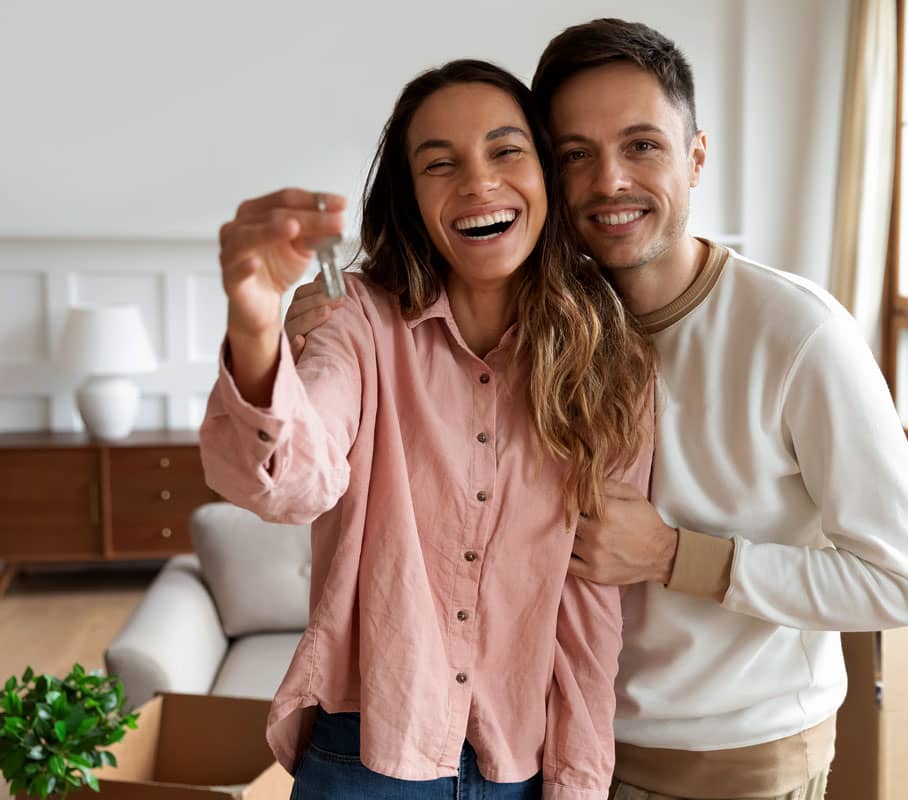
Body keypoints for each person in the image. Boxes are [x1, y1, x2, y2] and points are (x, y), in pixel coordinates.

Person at [286, 20, 908, 800]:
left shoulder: (797, 331)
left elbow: (898, 582)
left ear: (696, 156)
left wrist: (672, 554)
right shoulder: (536, 332)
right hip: (559, 753)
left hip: (732, 763)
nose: (608, 183)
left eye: (642, 147)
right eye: (574, 157)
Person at [200, 59, 654, 800]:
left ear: (546, 175)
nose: (478, 184)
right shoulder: (354, 323)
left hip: (522, 764)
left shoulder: (612, 358)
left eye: (506, 151)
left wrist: (578, 784)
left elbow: (590, 606)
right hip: (367, 754)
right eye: (439, 164)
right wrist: (255, 325)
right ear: (411, 200)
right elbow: (293, 484)